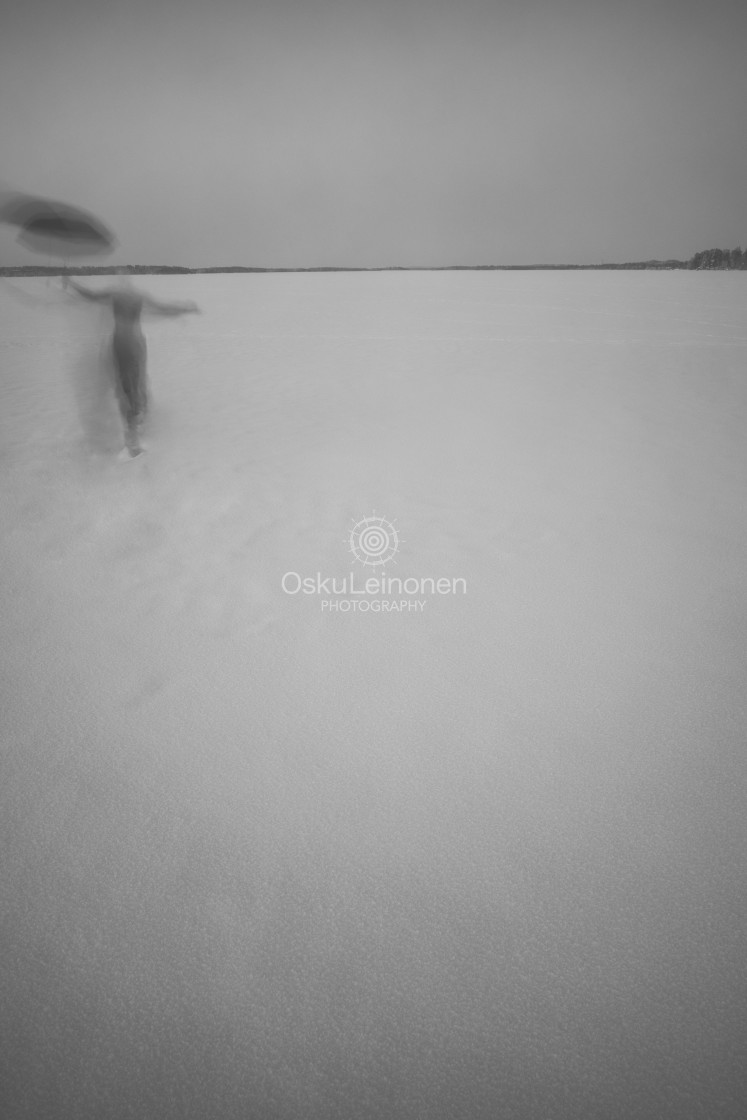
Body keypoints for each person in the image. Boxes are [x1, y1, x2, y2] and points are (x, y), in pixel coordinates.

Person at [62, 271, 200, 457]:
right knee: (135, 386)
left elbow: (90, 296)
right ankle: (134, 436)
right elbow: (162, 308)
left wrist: (71, 283)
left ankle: (135, 433)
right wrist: (185, 309)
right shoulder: (136, 295)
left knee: (128, 388)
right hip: (133, 342)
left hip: (122, 342)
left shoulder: (114, 293)